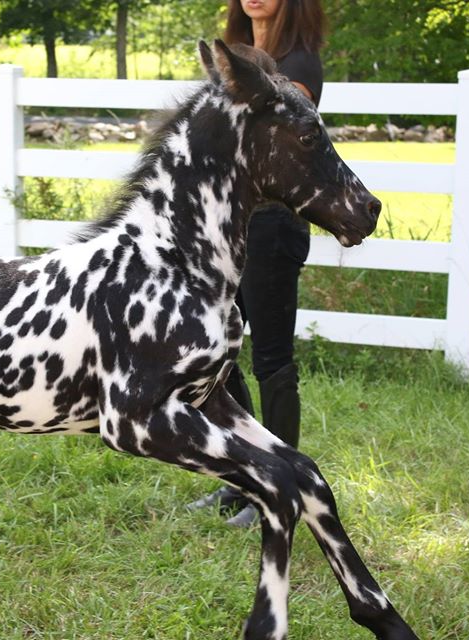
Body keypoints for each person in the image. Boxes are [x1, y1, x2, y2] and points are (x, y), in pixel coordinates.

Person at [188, 0, 325, 527]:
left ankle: (280, 488)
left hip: (272, 225)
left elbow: (267, 132)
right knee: (223, 356)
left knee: (271, 358)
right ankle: (242, 479)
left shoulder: (301, 62)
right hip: (228, 224)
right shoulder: (237, 56)